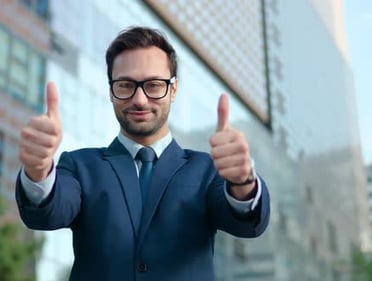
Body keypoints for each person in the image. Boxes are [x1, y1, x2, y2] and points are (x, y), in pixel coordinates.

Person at [15, 26, 270, 281]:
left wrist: (242, 181)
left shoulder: (207, 170)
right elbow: (48, 213)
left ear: (173, 89)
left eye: (153, 85)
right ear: (111, 90)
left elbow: (246, 224)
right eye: (125, 85)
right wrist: (38, 171)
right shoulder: (80, 165)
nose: (139, 99)